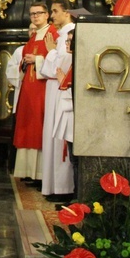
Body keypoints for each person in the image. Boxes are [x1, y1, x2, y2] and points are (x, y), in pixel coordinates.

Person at [9, 4, 58, 187]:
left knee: (39, 129)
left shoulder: (53, 34)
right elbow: (23, 60)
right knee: (27, 129)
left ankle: (41, 173)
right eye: (32, 14)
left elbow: (57, 61)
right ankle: (29, 172)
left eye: (39, 13)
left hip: (43, 89)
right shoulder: (33, 37)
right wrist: (26, 61)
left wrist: (36, 60)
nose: (35, 17)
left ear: (47, 15)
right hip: (29, 89)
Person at [40, 0, 75, 201]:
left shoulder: (71, 34)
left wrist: (52, 52)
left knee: (61, 140)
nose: (52, 16)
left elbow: (60, 67)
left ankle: (64, 188)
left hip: (63, 91)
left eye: (55, 11)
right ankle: (55, 187)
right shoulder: (60, 36)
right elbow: (47, 70)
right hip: (54, 89)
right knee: (53, 138)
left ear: (67, 12)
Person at [53, 28, 76, 197]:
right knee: (73, 160)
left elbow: (78, 93)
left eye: (70, 41)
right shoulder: (74, 62)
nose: (67, 44)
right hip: (71, 118)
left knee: (77, 161)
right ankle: (76, 198)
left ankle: (78, 199)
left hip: (77, 119)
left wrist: (63, 83)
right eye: (67, 40)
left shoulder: (80, 64)